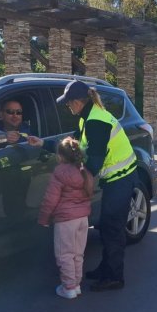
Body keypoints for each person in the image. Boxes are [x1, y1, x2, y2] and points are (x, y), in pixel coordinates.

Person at [56, 80, 137, 292]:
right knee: (106, 225)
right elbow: (75, 143)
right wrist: (44, 144)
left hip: (121, 177)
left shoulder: (95, 121)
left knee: (113, 228)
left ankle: (114, 277)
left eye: (68, 103)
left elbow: (94, 161)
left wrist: (77, 183)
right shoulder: (88, 117)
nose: (68, 107)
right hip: (116, 178)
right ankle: (106, 268)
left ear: (78, 102)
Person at [38, 137, 95, 299]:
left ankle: (68, 287)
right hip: (82, 218)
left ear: (60, 157)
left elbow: (50, 199)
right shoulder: (84, 171)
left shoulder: (60, 172)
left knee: (65, 254)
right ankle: (76, 284)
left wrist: (43, 218)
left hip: (66, 220)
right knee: (78, 253)